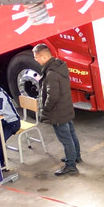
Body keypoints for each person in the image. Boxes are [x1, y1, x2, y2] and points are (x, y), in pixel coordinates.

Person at [34, 43, 80, 176]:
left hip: (58, 112)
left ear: (43, 57)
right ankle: (75, 156)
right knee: (71, 134)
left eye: (36, 57)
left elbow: (52, 96)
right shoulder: (59, 66)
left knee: (66, 139)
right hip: (66, 108)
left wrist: (45, 110)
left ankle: (71, 165)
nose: (35, 60)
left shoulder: (51, 74)